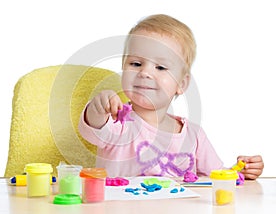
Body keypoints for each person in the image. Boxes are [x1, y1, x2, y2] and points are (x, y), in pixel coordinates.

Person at [78, 14, 264, 179]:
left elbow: (218, 177)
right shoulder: (118, 123)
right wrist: (98, 106)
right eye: (135, 63)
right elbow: (94, 125)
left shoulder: (194, 136)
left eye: (160, 67)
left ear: (181, 84)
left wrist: (243, 170)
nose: (145, 73)